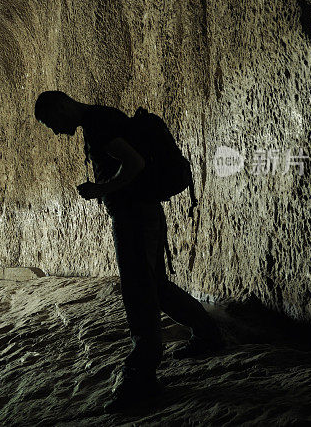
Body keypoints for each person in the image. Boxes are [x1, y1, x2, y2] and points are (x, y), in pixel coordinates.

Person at [34, 90, 222, 413]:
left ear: (63, 105)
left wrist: (99, 190)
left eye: (52, 122)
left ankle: (142, 376)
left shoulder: (98, 125)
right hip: (146, 214)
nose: (55, 131)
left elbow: (134, 163)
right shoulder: (102, 117)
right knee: (157, 286)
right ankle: (207, 333)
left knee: (138, 292)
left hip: (134, 219)